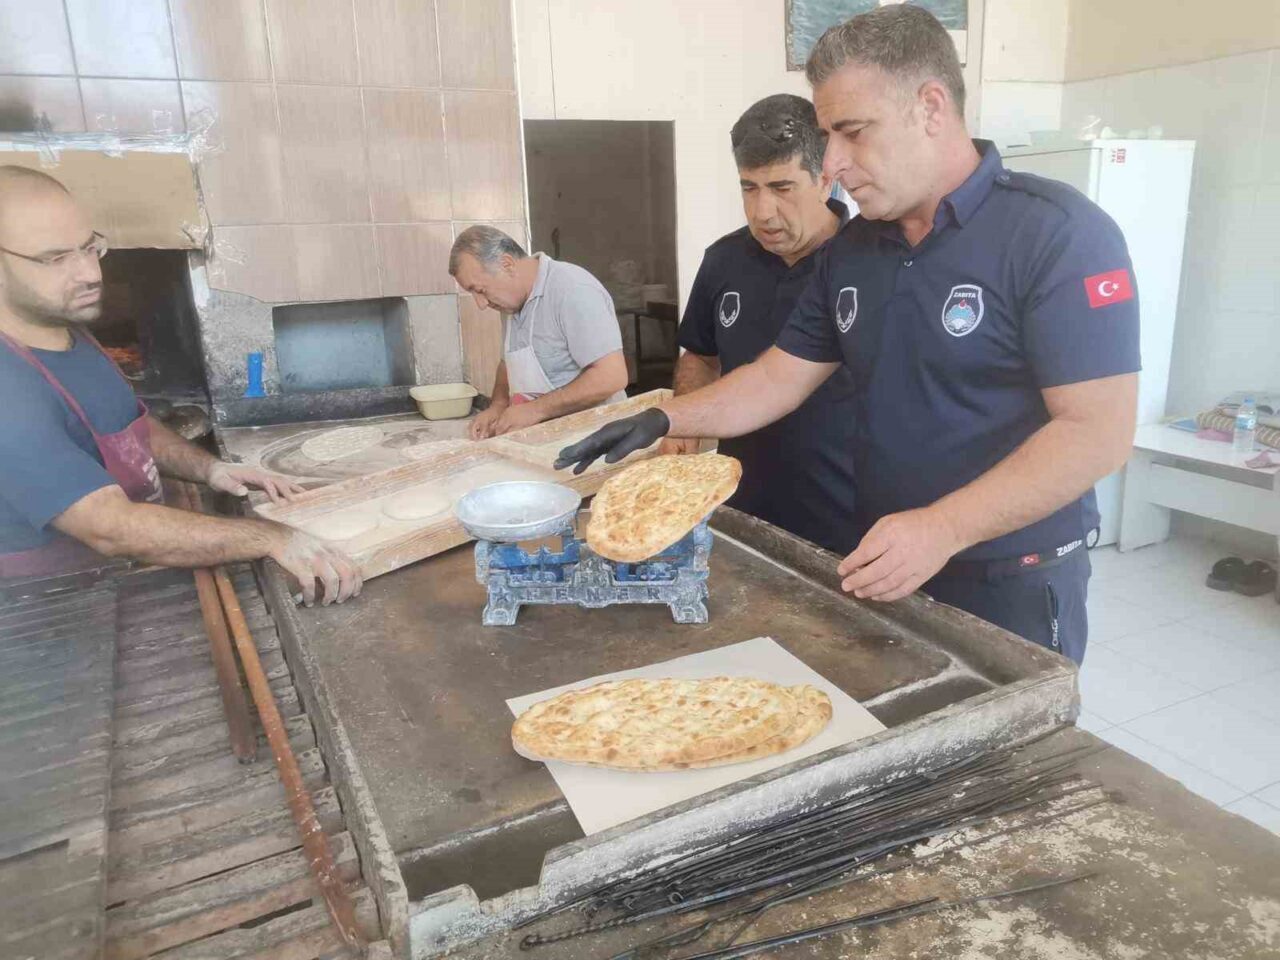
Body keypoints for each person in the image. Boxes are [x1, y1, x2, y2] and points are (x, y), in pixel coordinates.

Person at [556, 5, 1141, 664]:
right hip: (881, 559)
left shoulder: (1055, 234)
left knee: (1005, 759)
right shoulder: (857, 251)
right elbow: (778, 377)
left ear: (930, 107)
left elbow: (1098, 431)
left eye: (852, 132)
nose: (832, 162)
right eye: (828, 134)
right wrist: (664, 416)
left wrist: (944, 527)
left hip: (1011, 579)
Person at [0, 166, 360, 605]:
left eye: (90, 248)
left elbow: (131, 426)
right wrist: (272, 538)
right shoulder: (9, 385)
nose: (91, 274)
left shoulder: (68, 331)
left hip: (124, 577)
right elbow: (109, 527)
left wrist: (211, 469)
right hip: (55, 611)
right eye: (56, 259)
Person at [663, 93, 857, 555]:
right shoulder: (724, 260)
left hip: (847, 526)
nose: (762, 211)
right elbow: (701, 355)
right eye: (749, 188)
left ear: (826, 178)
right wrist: (682, 425)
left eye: (782, 187)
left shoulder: (868, 262)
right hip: (741, 508)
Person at [448, 225, 628, 440]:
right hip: (550, 439)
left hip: (596, 438)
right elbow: (509, 363)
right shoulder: (509, 304)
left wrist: (535, 410)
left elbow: (612, 377)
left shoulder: (573, 290)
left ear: (507, 264)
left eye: (480, 290)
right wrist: (497, 405)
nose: (481, 304)